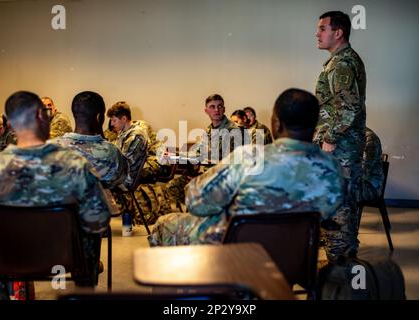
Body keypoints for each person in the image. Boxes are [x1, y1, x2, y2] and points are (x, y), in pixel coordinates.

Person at [148, 88, 346, 249]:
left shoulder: (248, 158)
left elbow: (196, 204)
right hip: (294, 256)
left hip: (239, 252)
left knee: (163, 225)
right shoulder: (333, 171)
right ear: (316, 125)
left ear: (275, 124)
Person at [0, 91, 111, 299]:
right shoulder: (76, 166)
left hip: (7, 259)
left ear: (10, 125)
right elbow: (98, 221)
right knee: (90, 236)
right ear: (42, 116)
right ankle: (82, 293)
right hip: (65, 257)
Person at [313, 11, 367, 262]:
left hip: (340, 149)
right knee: (343, 203)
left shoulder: (342, 63)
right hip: (343, 147)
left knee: (339, 205)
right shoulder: (341, 61)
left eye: (323, 28)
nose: (317, 33)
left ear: (338, 32)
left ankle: (340, 266)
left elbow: (349, 108)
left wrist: (330, 139)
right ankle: (343, 260)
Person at [164, 94, 240, 209]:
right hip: (206, 174)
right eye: (212, 107)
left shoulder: (233, 131)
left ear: (224, 109)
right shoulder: (209, 130)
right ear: (206, 110)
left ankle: (207, 214)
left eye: (220, 106)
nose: (216, 110)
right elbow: (197, 152)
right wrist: (176, 155)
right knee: (172, 187)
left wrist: (203, 178)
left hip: (222, 179)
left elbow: (230, 164)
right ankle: (199, 214)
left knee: (193, 189)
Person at [51, 91, 131, 191]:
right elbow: (121, 182)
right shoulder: (112, 153)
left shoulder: (50, 148)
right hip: (97, 205)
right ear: (99, 117)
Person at [362, 127, 384, 202]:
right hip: (361, 183)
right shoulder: (356, 136)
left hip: (371, 187)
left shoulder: (371, 139)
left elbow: (365, 172)